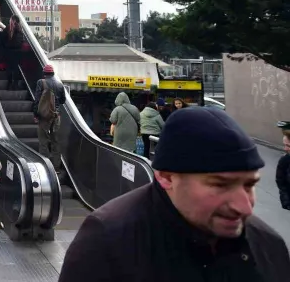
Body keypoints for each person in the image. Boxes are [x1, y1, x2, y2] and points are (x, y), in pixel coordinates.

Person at [59, 107, 290, 282]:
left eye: (249, 185)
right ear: (166, 177)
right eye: (220, 185)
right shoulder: (106, 243)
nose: (245, 207)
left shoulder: (268, 245)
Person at [33, 65, 66, 176]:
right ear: (53, 73)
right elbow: (62, 101)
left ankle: (45, 167)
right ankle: (56, 168)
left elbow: (37, 99)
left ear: (44, 73)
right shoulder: (60, 85)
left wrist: (36, 114)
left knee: (43, 141)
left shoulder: (41, 82)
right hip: (56, 117)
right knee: (55, 142)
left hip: (44, 117)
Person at [2, 16, 25, 90]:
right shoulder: (20, 29)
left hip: (8, 51)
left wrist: (6, 46)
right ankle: (15, 85)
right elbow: (21, 41)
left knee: (9, 68)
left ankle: (9, 84)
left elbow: (2, 40)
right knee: (16, 68)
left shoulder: (7, 29)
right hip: (18, 52)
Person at [277, 126, 290, 210]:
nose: (285, 149)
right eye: (284, 145)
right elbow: (281, 181)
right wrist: (286, 201)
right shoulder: (285, 160)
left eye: (288, 145)